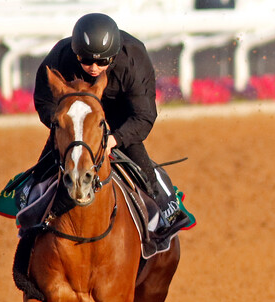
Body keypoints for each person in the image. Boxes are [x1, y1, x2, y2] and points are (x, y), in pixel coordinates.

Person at [27, 12, 187, 235]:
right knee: (41, 172)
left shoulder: (134, 59)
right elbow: (44, 100)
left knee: (142, 166)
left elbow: (143, 116)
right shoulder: (60, 57)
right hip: (78, 120)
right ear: (75, 53)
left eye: (102, 61)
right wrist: (65, 126)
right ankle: (28, 212)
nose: (93, 67)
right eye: (86, 60)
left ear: (114, 56)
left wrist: (114, 139)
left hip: (121, 114)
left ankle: (166, 208)